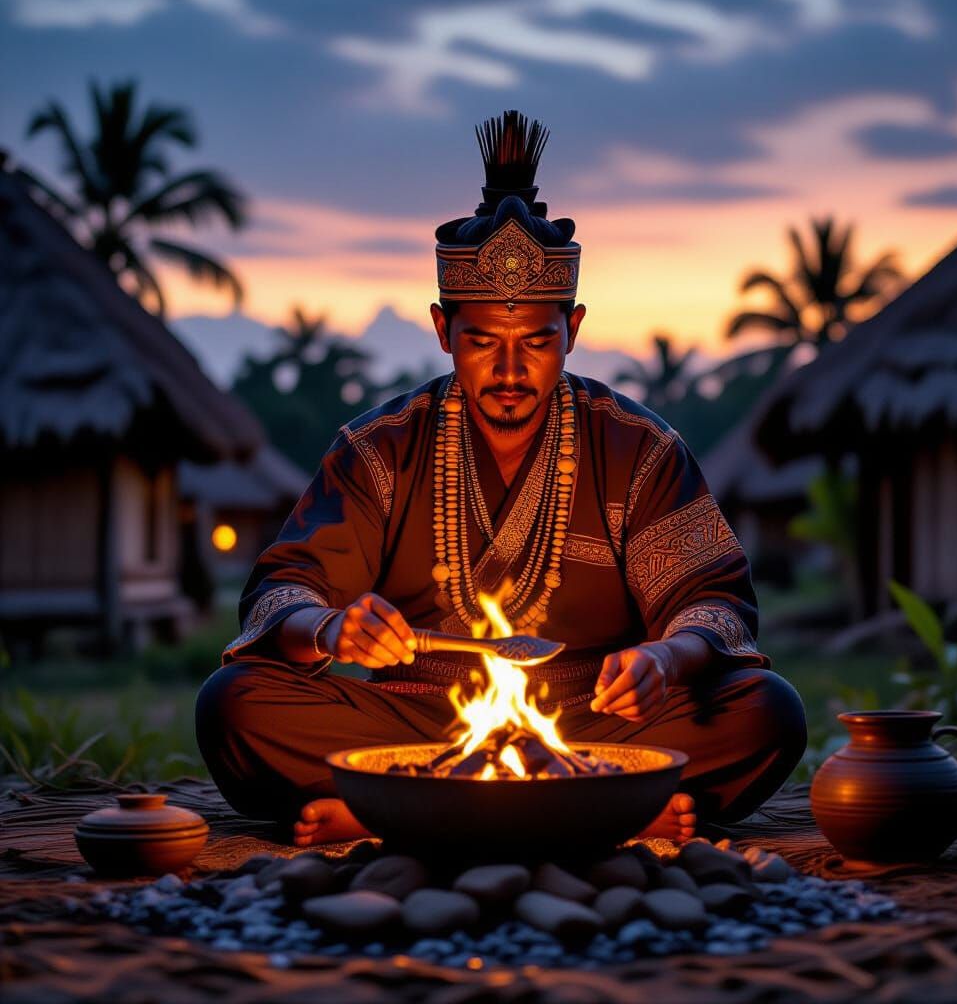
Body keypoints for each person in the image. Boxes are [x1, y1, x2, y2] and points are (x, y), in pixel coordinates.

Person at [196, 111, 806, 847]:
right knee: (234, 702)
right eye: (482, 342)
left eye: (536, 342)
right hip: (416, 726)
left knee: (765, 708)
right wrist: (330, 626)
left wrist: (664, 657)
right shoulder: (379, 450)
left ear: (573, 330)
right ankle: (604, 811)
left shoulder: (638, 448)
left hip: (592, 724)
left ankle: (390, 813)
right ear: (443, 329)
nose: (510, 372)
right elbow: (280, 594)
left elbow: (714, 605)